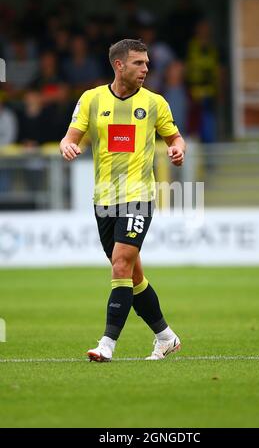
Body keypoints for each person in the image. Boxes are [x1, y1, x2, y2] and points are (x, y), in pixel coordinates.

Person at [60, 39, 186, 362]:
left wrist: (177, 148)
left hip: (138, 197)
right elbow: (70, 136)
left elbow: (175, 136)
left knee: (120, 263)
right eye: (138, 63)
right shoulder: (91, 100)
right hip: (103, 199)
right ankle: (166, 337)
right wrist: (67, 146)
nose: (146, 69)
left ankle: (107, 344)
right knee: (132, 275)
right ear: (119, 65)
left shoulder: (155, 103)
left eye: (146, 63)